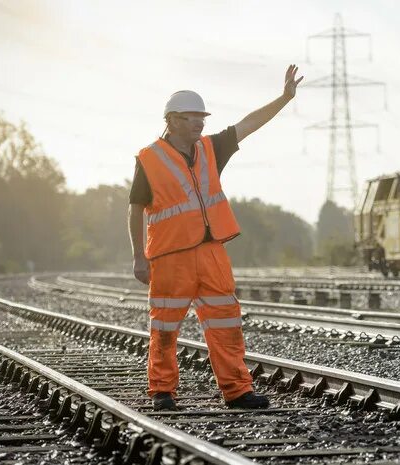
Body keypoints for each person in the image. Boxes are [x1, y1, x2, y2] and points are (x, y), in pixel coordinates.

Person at [128, 65, 303, 411]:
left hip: (211, 253)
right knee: (164, 327)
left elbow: (249, 124)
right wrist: (138, 256)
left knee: (227, 323)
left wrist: (284, 98)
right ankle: (162, 391)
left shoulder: (211, 148)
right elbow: (135, 210)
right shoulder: (149, 159)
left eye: (202, 118)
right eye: (192, 117)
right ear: (172, 120)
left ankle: (237, 391)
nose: (200, 123)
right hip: (169, 257)